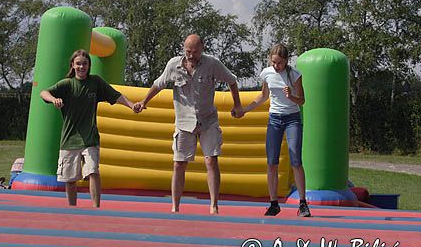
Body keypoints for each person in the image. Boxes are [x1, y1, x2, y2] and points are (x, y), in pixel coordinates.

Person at [134, 34, 243, 214]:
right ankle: (175, 207)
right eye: (188, 51)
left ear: (202, 49)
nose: (191, 55)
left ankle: (214, 205)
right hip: (184, 122)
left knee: (211, 160)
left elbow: (232, 80)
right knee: (179, 163)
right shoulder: (174, 65)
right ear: (183, 49)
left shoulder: (212, 64)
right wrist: (144, 102)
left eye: (195, 52)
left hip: (208, 119)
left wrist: (237, 105)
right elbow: (158, 84)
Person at [40, 49, 136, 208]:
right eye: (78, 64)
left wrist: (132, 105)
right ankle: (72, 209)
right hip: (70, 140)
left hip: (90, 138)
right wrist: (54, 100)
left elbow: (116, 95)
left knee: (93, 172)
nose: (81, 67)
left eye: (85, 64)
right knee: (70, 180)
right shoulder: (67, 84)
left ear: (89, 66)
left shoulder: (95, 82)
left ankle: (96, 208)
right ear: (73, 65)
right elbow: (44, 92)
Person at [235, 44, 311, 217]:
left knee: (296, 160)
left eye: (280, 63)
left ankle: (303, 203)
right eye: (274, 62)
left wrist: (291, 96)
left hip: (292, 118)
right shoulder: (267, 73)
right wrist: (244, 110)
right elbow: (263, 96)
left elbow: (302, 101)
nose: (277, 66)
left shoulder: (294, 75)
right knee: (271, 162)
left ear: (286, 61)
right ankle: (274, 203)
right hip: (274, 119)